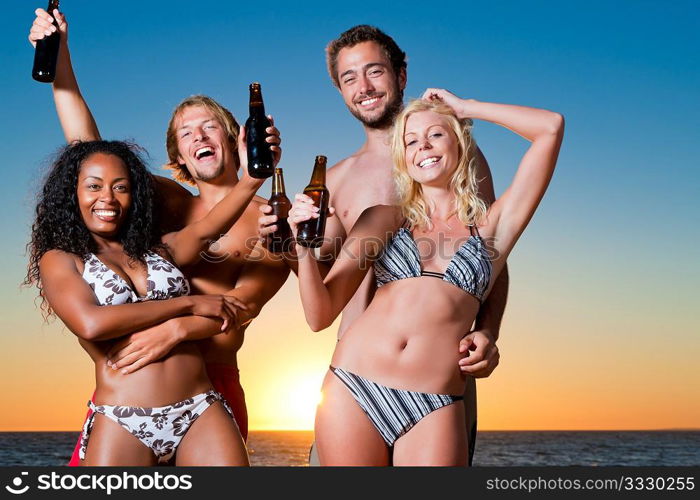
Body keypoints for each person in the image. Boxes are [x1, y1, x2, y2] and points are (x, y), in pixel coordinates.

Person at [28, 7, 289, 465]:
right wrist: (60, 61)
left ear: (234, 138)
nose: (198, 135)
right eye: (185, 132)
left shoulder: (270, 219)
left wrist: (175, 330)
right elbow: (89, 153)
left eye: (209, 125)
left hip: (211, 386)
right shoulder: (164, 202)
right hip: (131, 389)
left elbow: (243, 305)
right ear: (179, 156)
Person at [258, 25, 507, 465]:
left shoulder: (456, 156)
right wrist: (282, 244)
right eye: (350, 78)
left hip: (439, 376)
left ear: (402, 74)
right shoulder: (335, 181)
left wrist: (488, 329)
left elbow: (490, 260)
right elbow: (323, 276)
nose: (364, 87)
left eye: (374, 71)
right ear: (339, 90)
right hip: (354, 378)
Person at [290, 90, 564, 465]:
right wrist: (302, 246)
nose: (423, 147)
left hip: (435, 402)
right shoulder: (384, 218)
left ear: (458, 140)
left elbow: (550, 127)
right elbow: (319, 315)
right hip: (352, 386)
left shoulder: (493, 226)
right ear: (404, 158)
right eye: (411, 141)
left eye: (435, 134)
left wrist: (467, 108)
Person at [25, 137, 269, 465]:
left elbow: (211, 225)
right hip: (124, 417)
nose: (107, 198)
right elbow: (91, 323)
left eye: (120, 187)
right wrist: (189, 304)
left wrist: (253, 177)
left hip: (199, 408)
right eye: (93, 186)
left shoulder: (160, 250)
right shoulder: (61, 260)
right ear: (73, 193)